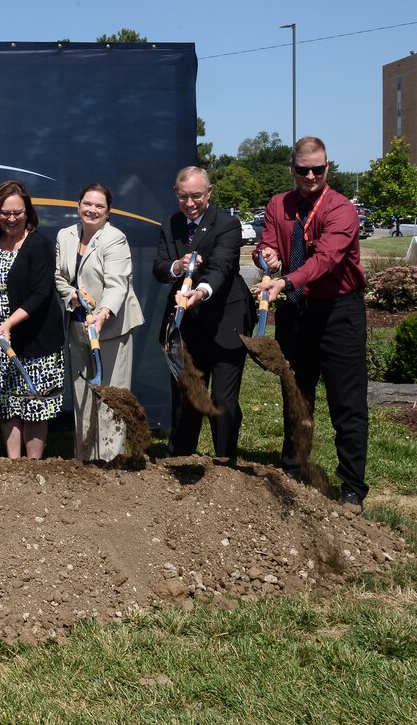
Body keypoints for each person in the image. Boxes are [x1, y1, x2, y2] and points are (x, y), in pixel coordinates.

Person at [257, 136, 368, 510]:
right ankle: (292, 467)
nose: (310, 175)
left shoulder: (341, 210)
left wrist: (285, 281)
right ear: (292, 168)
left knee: (347, 404)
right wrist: (268, 258)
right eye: (303, 169)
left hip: (338, 312)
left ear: (327, 167)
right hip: (296, 313)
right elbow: (265, 244)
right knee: (296, 394)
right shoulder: (278, 204)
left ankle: (352, 487)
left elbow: (325, 260)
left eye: (317, 169)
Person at [152, 166, 254, 461]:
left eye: (196, 196)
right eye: (183, 196)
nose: (190, 202)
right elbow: (159, 267)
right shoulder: (169, 224)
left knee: (223, 400)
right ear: (176, 194)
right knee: (186, 400)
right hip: (187, 329)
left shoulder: (228, 225)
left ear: (208, 193)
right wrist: (176, 267)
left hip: (226, 324)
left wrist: (200, 292)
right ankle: (181, 461)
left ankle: (225, 466)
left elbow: (220, 267)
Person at [0, 181, 65, 460]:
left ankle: (33, 466)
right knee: (6, 404)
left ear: (28, 213)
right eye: (5, 213)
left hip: (35, 341)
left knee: (33, 405)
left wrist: (9, 325)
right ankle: (13, 466)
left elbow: (41, 294)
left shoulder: (40, 245)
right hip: (0, 340)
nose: (11, 219)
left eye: (17, 213)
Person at [55, 183, 144, 462]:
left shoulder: (115, 239)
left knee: (111, 398)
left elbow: (118, 285)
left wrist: (102, 314)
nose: (92, 210)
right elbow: (59, 277)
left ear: (108, 211)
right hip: (78, 326)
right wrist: (73, 298)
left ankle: (109, 461)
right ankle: (85, 460)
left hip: (111, 328)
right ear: (78, 204)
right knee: (82, 395)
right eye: (87, 204)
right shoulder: (65, 235)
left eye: (99, 206)